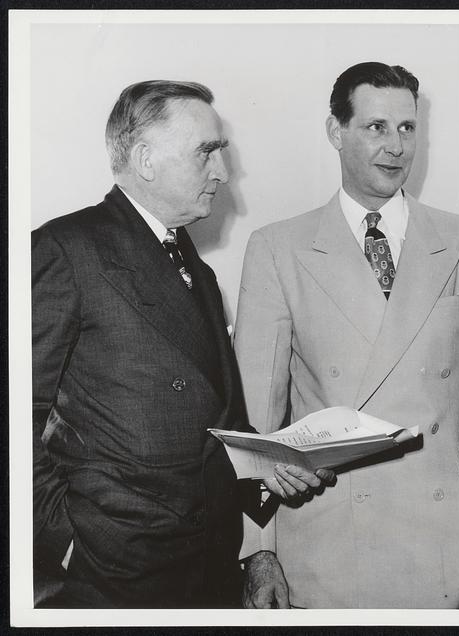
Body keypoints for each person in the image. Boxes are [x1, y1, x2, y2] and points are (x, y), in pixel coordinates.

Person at [234, 62, 459, 609]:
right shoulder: (278, 248)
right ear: (335, 131)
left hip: (449, 539)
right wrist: (259, 550)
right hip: (325, 539)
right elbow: (256, 423)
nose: (396, 147)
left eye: (408, 128)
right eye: (376, 128)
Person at [32, 80, 263, 608]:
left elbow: (219, 421)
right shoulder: (65, 250)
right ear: (145, 159)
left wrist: (273, 464)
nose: (223, 173)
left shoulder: (198, 274)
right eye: (206, 151)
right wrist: (63, 540)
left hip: (205, 563)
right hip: (115, 569)